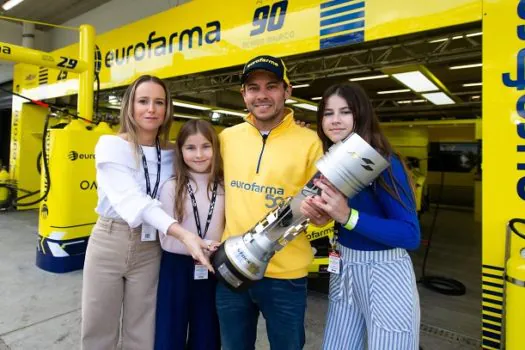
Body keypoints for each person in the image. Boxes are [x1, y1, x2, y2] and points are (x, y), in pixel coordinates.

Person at [81, 75, 214, 350]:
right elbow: (133, 201)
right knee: (98, 326)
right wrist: (184, 235)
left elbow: (205, 168)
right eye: (143, 101)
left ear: (167, 109)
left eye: (159, 102)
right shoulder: (111, 145)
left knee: (142, 330)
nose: (151, 109)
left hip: (152, 245)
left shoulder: (172, 153)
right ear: (130, 105)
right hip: (110, 240)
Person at [300, 82, 421, 350]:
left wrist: (347, 216)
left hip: (386, 271)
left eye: (345, 112)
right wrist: (325, 218)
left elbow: (410, 235)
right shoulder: (334, 161)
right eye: (328, 113)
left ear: (361, 115)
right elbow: (341, 215)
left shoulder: (385, 163)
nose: (335, 120)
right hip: (344, 267)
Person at [216, 55, 324, 350]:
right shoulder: (226, 138)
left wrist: (322, 215)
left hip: (285, 276)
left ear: (287, 91)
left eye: (271, 86)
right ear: (243, 94)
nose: (262, 95)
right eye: (253, 88)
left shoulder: (310, 142)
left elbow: (323, 211)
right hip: (232, 266)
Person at [155, 119, 223, 350]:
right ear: (180, 151)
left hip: (211, 267)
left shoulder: (223, 187)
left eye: (206, 146)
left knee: (207, 331)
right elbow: (166, 236)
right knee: (170, 329)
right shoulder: (171, 187)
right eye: (190, 148)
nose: (199, 155)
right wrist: (200, 244)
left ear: (215, 148)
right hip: (176, 267)